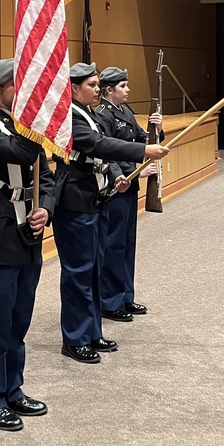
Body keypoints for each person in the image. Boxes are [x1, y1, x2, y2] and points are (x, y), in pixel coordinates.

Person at [52, 62, 168, 363]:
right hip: (75, 196)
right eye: (91, 85)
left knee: (93, 268)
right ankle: (75, 338)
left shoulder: (89, 113)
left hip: (94, 194)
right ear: (74, 88)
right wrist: (143, 152)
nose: (97, 90)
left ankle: (92, 331)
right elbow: (96, 144)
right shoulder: (69, 117)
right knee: (78, 272)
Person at [0, 59, 55, 431]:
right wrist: (35, 122)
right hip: (1, 229)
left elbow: (48, 177)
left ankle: (13, 388)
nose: (21, 91)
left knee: (20, 315)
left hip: (29, 230)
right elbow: (23, 154)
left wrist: (46, 210)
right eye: (14, 85)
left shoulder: (25, 127)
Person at [95, 66, 163, 322]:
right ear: (109, 89)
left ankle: (125, 295)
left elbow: (142, 141)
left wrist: (157, 128)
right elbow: (105, 150)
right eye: (123, 86)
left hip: (130, 186)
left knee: (127, 243)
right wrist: (123, 175)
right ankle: (109, 301)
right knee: (113, 245)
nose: (128, 90)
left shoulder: (125, 112)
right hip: (117, 187)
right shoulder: (102, 114)